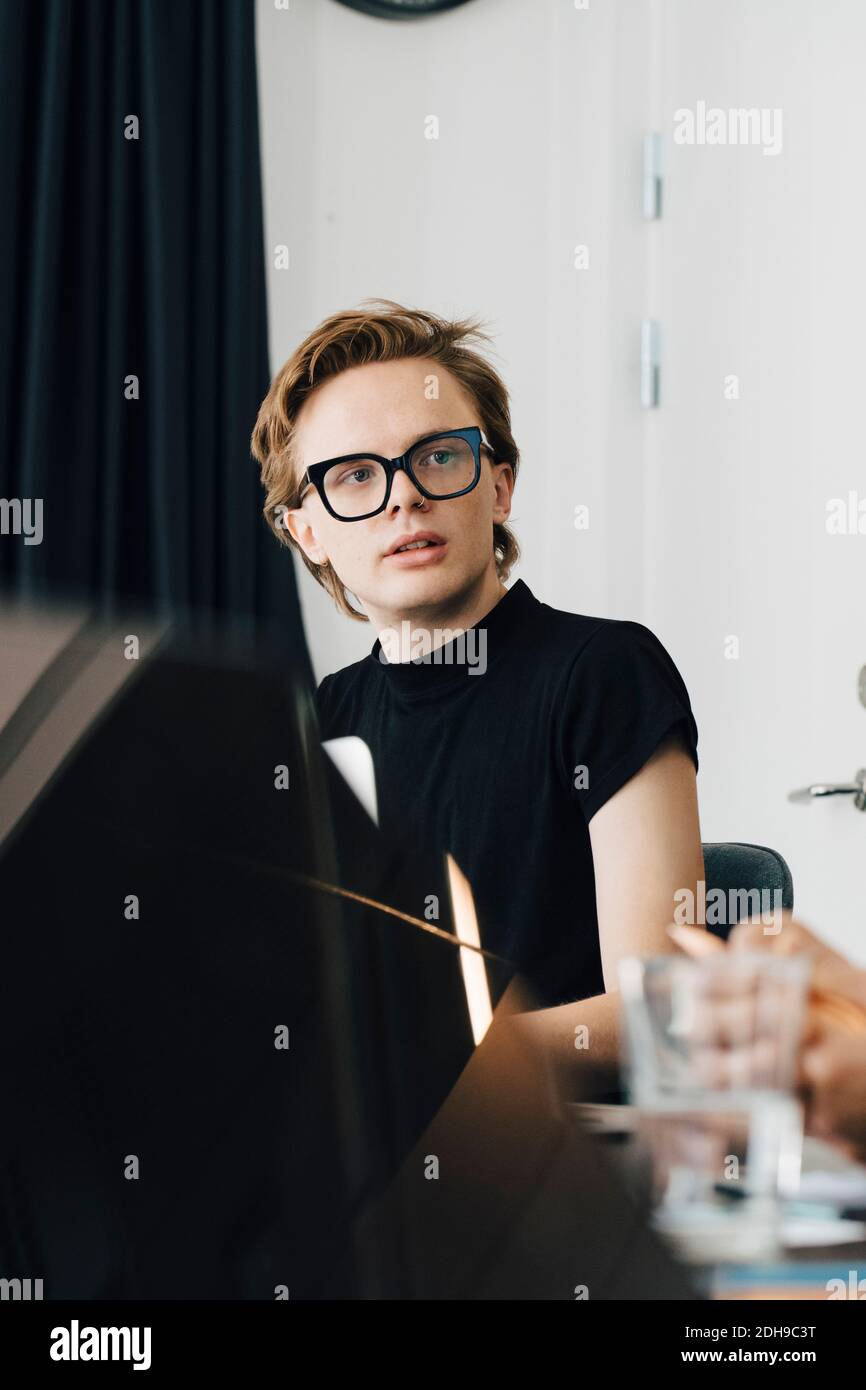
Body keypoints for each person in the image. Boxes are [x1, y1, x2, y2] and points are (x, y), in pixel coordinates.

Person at [251, 299, 705, 1070]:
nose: (403, 496)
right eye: (354, 476)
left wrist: (417, 1064)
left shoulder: (603, 672)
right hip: (376, 1160)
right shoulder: (324, 717)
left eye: (437, 456)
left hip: (564, 1152)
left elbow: (660, 1010)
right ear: (309, 532)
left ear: (498, 487)